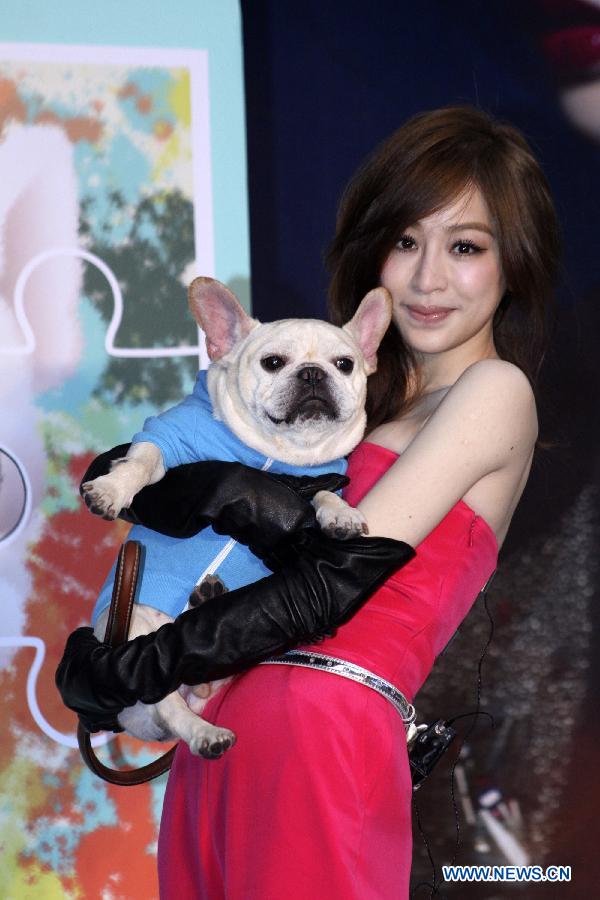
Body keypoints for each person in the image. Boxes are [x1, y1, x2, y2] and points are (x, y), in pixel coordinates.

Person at [56, 106, 559, 898]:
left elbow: (336, 580)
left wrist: (154, 656)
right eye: (405, 241)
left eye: (465, 246)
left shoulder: (495, 391)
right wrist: (122, 669)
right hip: (220, 739)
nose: (428, 278)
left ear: (513, 261)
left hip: (323, 732)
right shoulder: (340, 404)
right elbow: (177, 500)